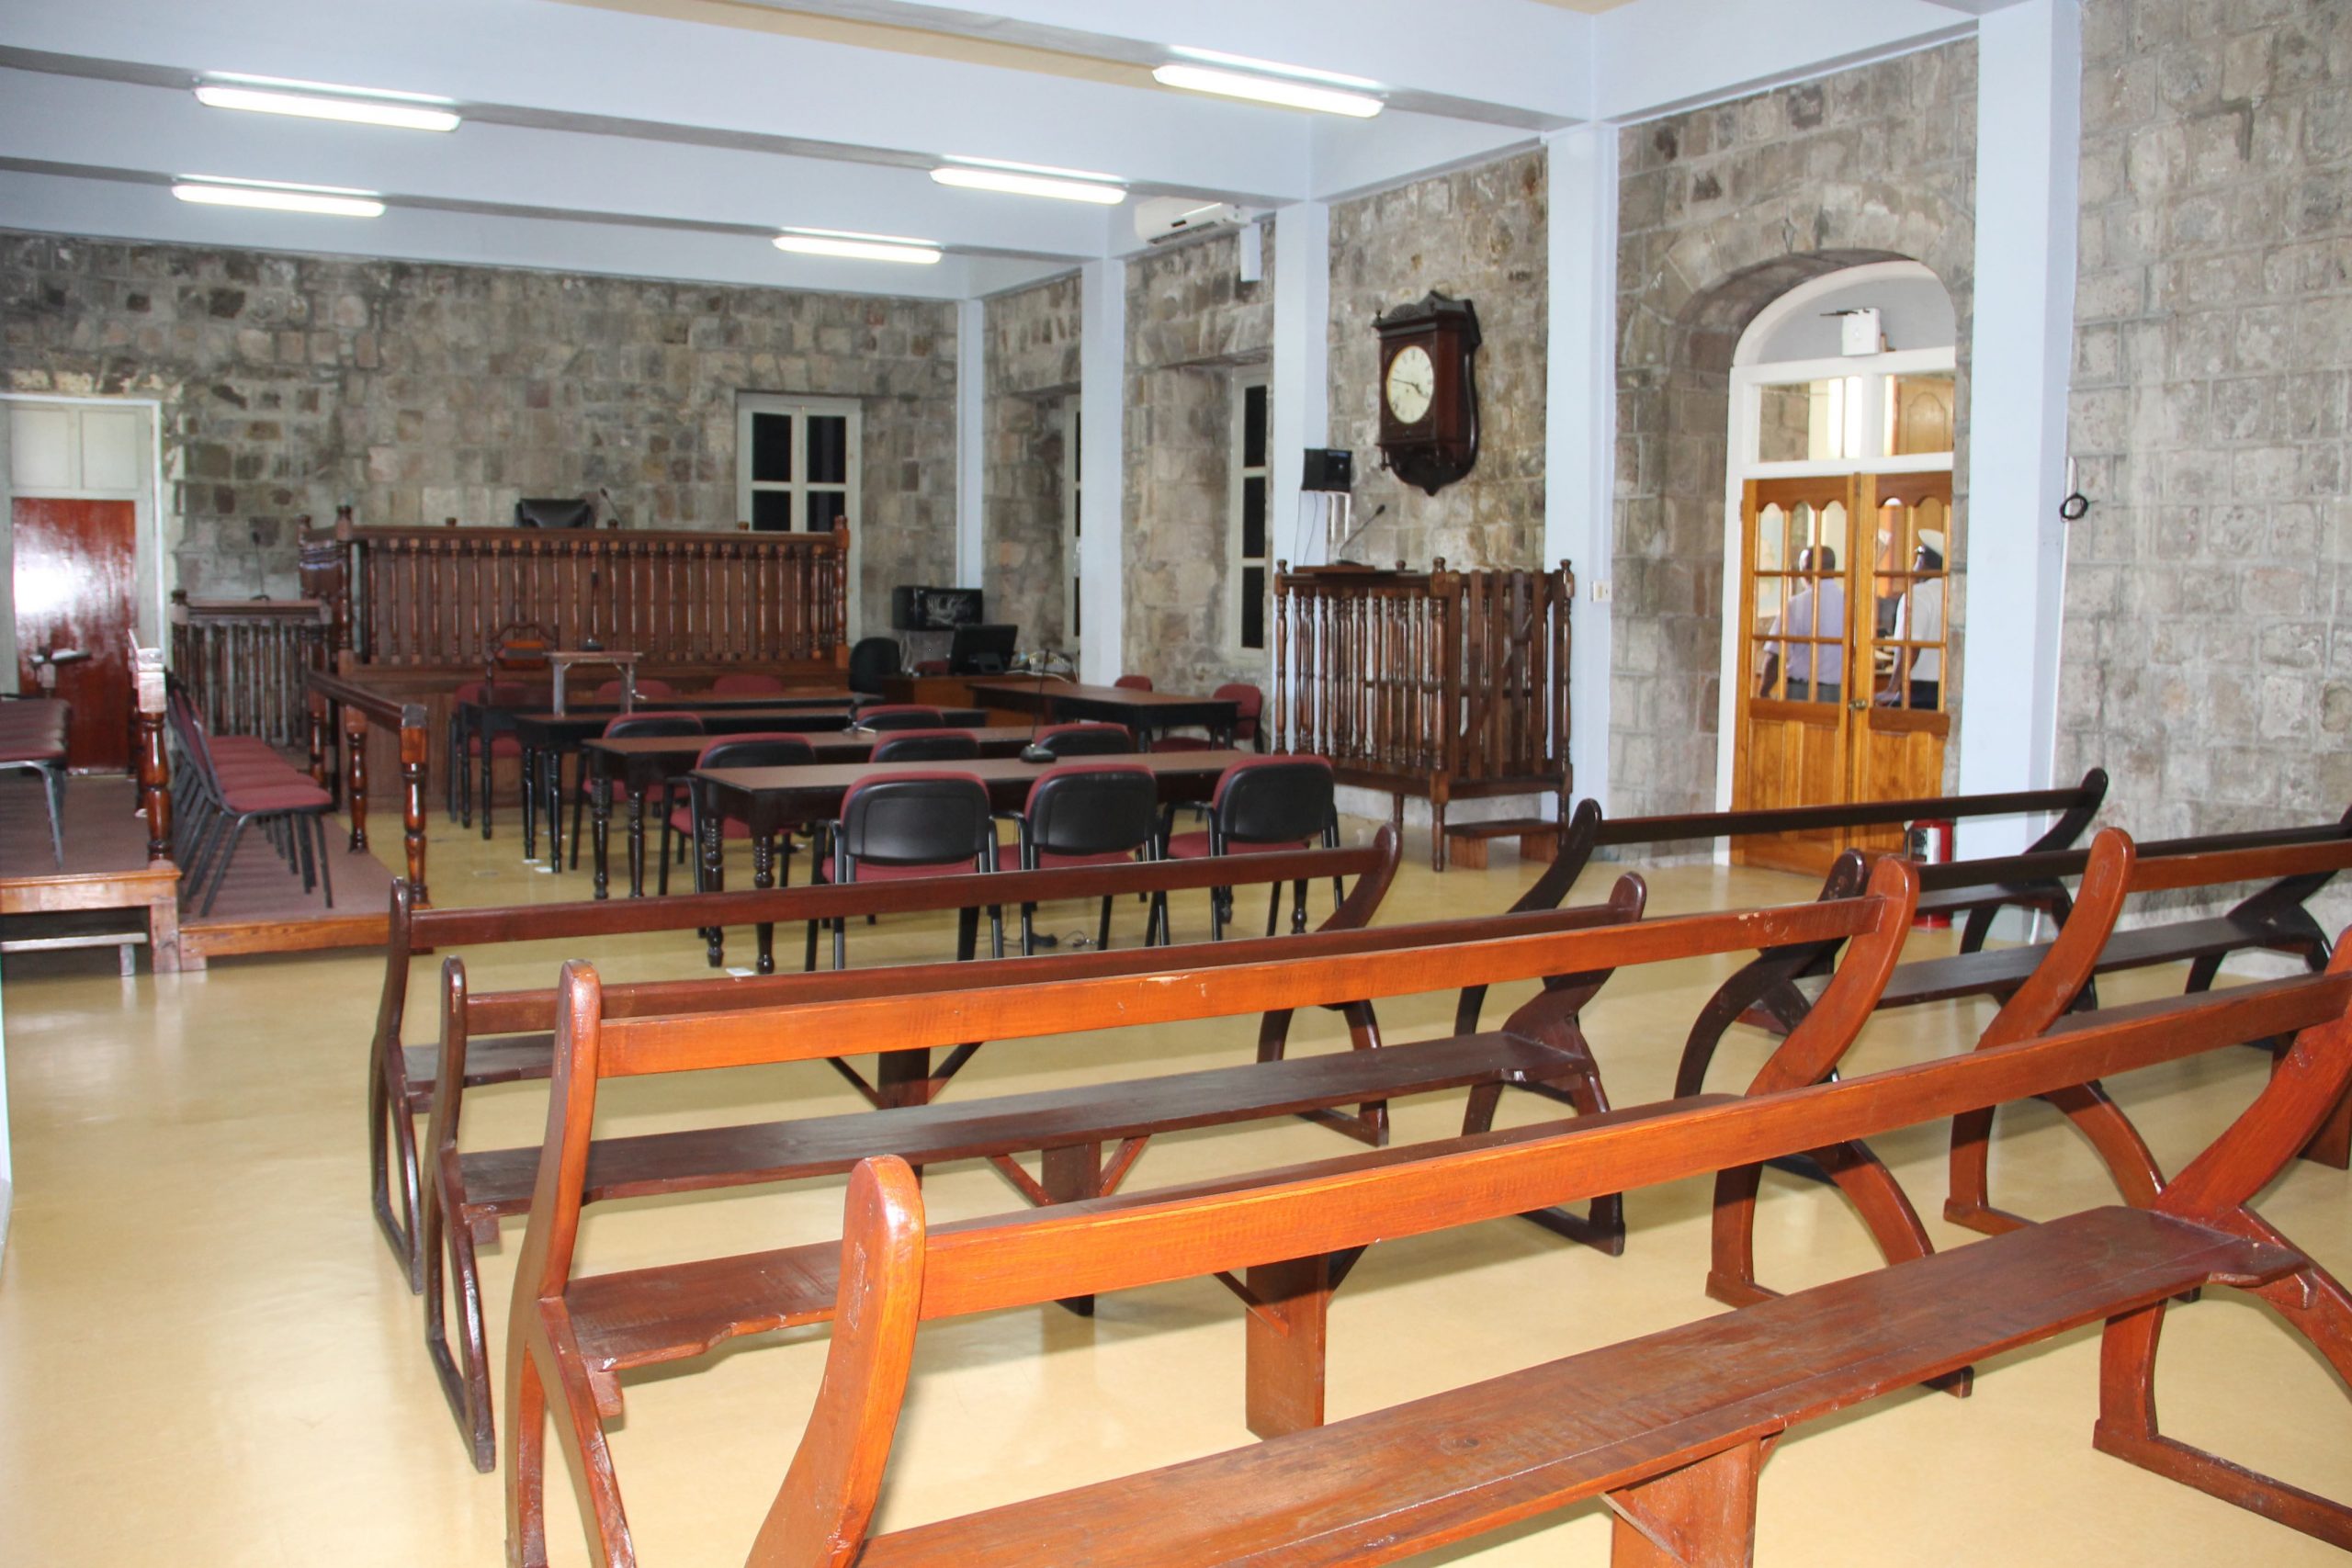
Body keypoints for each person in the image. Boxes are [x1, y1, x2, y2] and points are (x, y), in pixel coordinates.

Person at [1757, 545, 1843, 703]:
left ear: (1806, 571)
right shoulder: (1849, 603)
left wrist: (1763, 692)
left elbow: (1777, 653)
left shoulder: (1797, 604)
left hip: (1801, 692)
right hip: (1838, 693)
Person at [1885, 530, 1945, 709]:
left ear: (1924, 561)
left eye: (1917, 557)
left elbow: (1911, 648)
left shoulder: (1918, 594)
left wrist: (1891, 688)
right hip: (1945, 688)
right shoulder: (1954, 593)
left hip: (1917, 690)